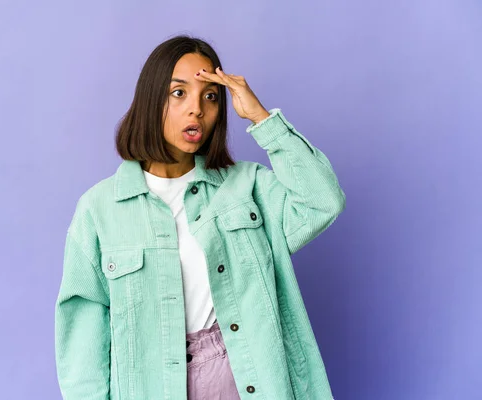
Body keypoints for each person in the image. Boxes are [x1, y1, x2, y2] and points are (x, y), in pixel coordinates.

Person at [55, 34, 346, 400]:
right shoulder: (99, 210)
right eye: (179, 93)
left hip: (244, 374)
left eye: (210, 97)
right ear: (150, 101)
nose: (197, 109)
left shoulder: (247, 186)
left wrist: (261, 119)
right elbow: (83, 338)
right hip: (152, 384)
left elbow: (323, 202)